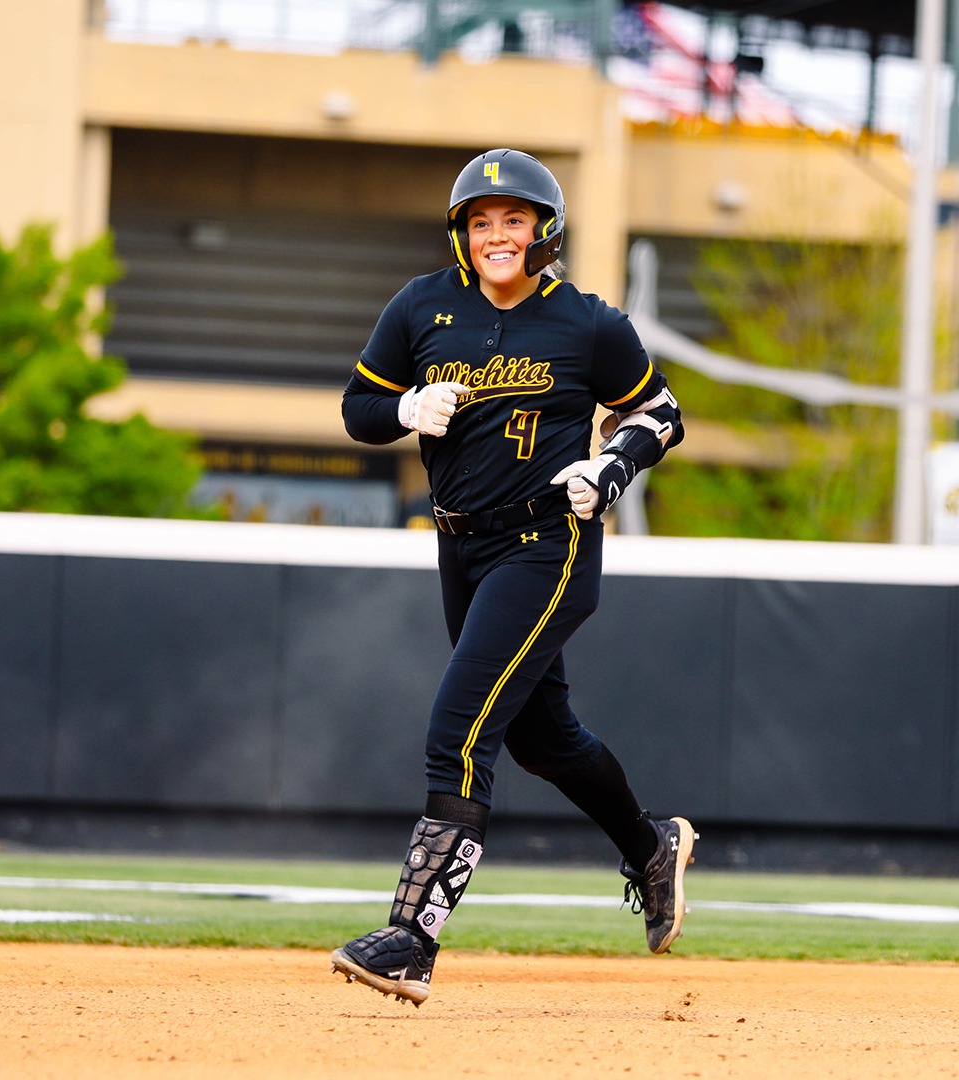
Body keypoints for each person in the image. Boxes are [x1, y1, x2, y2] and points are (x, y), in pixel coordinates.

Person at [332, 149, 694, 1005]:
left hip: (548, 545)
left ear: (544, 230)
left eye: (514, 219)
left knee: (459, 726)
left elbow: (662, 411)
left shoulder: (586, 322)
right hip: (460, 545)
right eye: (481, 220)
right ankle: (651, 846)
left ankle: (413, 936)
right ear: (462, 233)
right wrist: (403, 409)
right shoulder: (422, 306)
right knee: (543, 738)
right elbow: (357, 407)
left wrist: (610, 465)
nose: (497, 234)